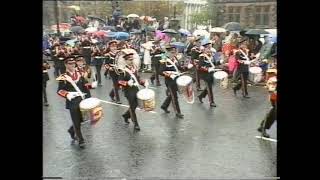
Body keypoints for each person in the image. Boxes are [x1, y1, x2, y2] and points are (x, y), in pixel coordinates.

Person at [57, 56, 97, 148]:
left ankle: (71, 130)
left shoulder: (79, 74)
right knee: (76, 121)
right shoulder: (63, 77)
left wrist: (91, 85)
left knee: (82, 119)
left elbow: (84, 86)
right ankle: (81, 140)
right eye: (70, 64)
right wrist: (67, 95)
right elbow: (59, 91)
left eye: (73, 63)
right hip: (72, 102)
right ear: (66, 64)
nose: (72, 65)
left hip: (82, 100)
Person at [118, 49, 147, 131]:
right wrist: (127, 83)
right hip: (128, 90)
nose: (131, 61)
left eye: (132, 60)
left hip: (136, 89)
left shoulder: (134, 68)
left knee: (135, 105)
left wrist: (143, 83)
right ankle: (136, 124)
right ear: (126, 61)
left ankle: (126, 115)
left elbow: (137, 79)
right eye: (130, 60)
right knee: (132, 106)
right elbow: (119, 81)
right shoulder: (122, 70)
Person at [159, 45, 185, 118]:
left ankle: (164, 106)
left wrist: (185, 68)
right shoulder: (164, 60)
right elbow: (160, 71)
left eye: (174, 52)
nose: (173, 53)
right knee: (174, 96)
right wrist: (169, 75)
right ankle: (178, 112)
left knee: (172, 95)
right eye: (172, 52)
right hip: (169, 81)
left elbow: (179, 68)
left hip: (176, 79)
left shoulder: (175, 59)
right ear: (168, 52)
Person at [197, 41, 217, 107]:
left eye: (210, 48)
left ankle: (200, 96)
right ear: (204, 49)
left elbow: (215, 64)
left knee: (209, 86)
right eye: (208, 48)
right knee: (209, 87)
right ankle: (212, 102)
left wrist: (222, 61)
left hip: (211, 73)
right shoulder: (202, 56)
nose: (209, 50)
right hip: (205, 74)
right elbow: (200, 66)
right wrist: (207, 69)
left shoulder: (211, 55)